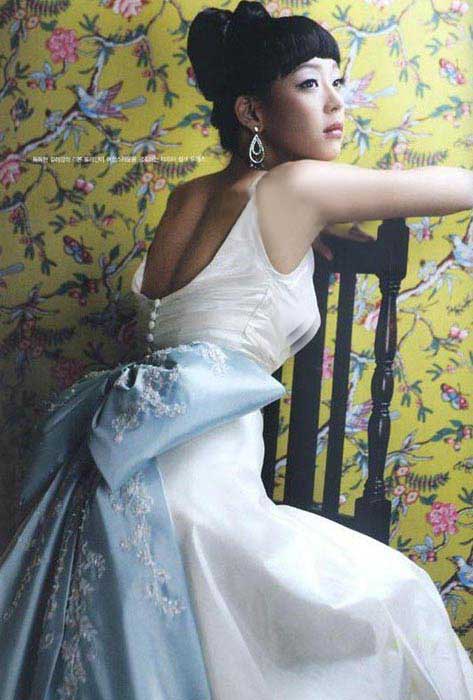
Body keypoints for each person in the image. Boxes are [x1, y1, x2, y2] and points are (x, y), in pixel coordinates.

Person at [1, 2, 473, 698]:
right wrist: (311, 215)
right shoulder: (296, 186)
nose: (336, 103)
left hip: (110, 471)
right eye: (309, 83)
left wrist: (306, 229)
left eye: (337, 81)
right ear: (252, 111)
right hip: (197, 488)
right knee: (399, 595)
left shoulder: (186, 197)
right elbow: (460, 186)